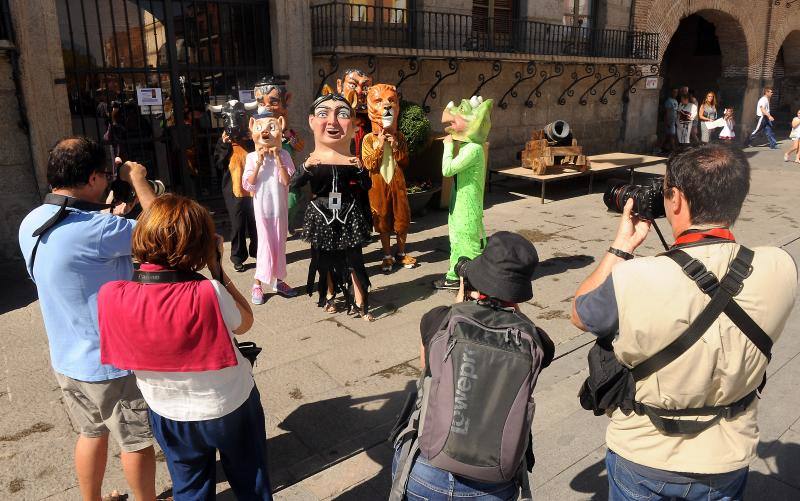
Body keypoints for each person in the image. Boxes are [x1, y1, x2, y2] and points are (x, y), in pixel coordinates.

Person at [570, 144, 797, 501]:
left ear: (674, 200)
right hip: (728, 455)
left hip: (644, 455)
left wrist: (621, 247)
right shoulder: (781, 266)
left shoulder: (634, 277)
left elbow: (580, 313)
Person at [97, 194, 272, 500]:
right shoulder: (209, 291)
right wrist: (218, 270)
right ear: (200, 245)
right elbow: (245, 322)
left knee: (190, 488)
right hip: (229, 405)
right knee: (250, 480)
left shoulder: (111, 294)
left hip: (167, 411)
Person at [18, 137, 157, 501]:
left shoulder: (33, 220)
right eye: (107, 175)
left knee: (91, 432)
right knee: (136, 440)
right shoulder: (100, 231)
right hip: (110, 361)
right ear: (95, 178)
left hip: (66, 359)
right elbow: (167, 232)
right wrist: (138, 180)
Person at [390, 231, 554, 501]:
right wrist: (509, 302)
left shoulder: (437, 320)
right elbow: (529, 338)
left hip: (427, 471)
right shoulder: (538, 342)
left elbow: (429, 371)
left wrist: (463, 299)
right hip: (493, 483)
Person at [290, 92, 374, 320]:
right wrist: (306, 166)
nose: (333, 121)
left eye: (343, 114)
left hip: (348, 212)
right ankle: (328, 296)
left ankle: (359, 300)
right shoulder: (313, 160)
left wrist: (359, 168)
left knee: (354, 258)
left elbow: (367, 185)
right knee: (323, 258)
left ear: (354, 124)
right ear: (311, 121)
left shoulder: (352, 161)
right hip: (320, 212)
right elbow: (294, 183)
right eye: (323, 114)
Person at [434, 96, 494, 290]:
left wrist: (448, 146)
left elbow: (447, 170)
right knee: (457, 240)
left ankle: (475, 280)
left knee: (468, 243)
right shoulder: (469, 146)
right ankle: (454, 276)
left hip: (467, 206)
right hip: (458, 204)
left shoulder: (474, 149)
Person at [361, 83, 417, 272]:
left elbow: (405, 161)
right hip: (378, 184)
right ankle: (386, 255)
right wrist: (379, 145)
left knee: (402, 219)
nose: (386, 106)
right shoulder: (369, 138)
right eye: (379, 101)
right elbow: (369, 163)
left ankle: (401, 253)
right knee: (382, 219)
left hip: (397, 183)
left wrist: (395, 148)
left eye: (391, 101)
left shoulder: (399, 136)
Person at [244, 109, 297, 303]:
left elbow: (286, 181)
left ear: (280, 128)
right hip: (262, 210)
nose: (265, 132)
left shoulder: (284, 155)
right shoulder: (250, 157)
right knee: (265, 246)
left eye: (271, 127)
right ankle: (257, 284)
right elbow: (248, 185)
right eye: (260, 128)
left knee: (279, 245)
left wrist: (277, 159)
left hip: (280, 210)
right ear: (252, 129)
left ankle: (279, 281)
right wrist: (258, 164)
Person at [211, 100, 258, 272]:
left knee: (255, 222)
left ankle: (258, 253)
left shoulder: (251, 138)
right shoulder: (223, 142)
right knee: (238, 224)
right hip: (234, 190)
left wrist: (253, 139)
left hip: (253, 190)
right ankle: (238, 257)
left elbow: (261, 156)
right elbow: (218, 163)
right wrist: (224, 144)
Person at [660, 88, 679, 153]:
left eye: (676, 92)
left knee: (668, 136)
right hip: (669, 121)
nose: (675, 93)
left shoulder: (675, 101)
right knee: (672, 135)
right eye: (674, 92)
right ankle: (674, 150)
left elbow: (676, 111)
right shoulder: (668, 101)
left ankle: (662, 147)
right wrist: (667, 122)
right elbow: (667, 112)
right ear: (671, 92)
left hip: (674, 121)